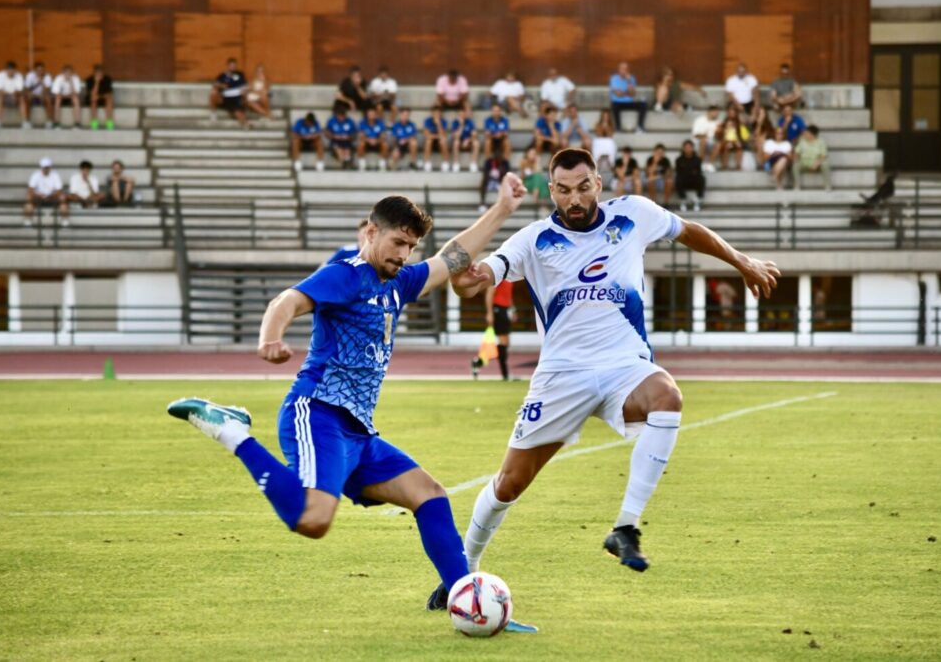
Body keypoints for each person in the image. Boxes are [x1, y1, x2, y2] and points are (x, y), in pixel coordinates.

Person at [167, 174, 537, 631]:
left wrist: (503, 210)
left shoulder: (398, 282)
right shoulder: (347, 274)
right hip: (317, 412)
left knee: (430, 496)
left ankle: (468, 598)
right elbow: (287, 300)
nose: (404, 254)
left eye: (411, 247)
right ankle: (232, 432)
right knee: (313, 519)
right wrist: (270, 337)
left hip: (358, 433)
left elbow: (451, 258)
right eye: (398, 242)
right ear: (371, 232)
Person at [442, 147, 779, 593]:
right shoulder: (532, 240)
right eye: (564, 190)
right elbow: (467, 284)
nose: (575, 199)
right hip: (562, 376)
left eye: (584, 187)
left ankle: (625, 528)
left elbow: (689, 231)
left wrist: (742, 261)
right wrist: (487, 230)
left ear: (598, 183)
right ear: (551, 190)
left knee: (667, 398)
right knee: (509, 484)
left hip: (625, 366)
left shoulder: (633, 214)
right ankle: (461, 571)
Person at [471, 280, 514, 380]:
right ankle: (505, 374)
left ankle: (478, 362)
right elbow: (489, 294)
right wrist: (489, 313)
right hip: (498, 309)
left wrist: (512, 309)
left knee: (505, 343)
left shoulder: (511, 277)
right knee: (503, 342)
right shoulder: (498, 276)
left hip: (505, 310)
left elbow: (508, 295)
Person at [23, 157, 68, 227]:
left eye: (47, 167)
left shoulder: (55, 175)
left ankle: (64, 220)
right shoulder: (35, 175)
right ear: (41, 167)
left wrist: (50, 196)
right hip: (38, 198)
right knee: (28, 197)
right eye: (44, 167)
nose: (46, 169)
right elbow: (30, 189)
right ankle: (28, 219)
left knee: (62, 197)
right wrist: (39, 195)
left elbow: (59, 190)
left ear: (50, 167)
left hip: (52, 197)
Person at [609, 61, 648, 133]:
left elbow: (632, 94)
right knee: (614, 106)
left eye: (626, 69)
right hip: (617, 102)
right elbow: (618, 94)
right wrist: (627, 93)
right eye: (622, 69)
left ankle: (640, 127)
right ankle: (618, 128)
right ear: (618, 70)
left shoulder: (631, 78)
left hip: (629, 102)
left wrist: (629, 81)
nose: (624, 71)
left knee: (643, 105)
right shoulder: (614, 78)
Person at [792, 125, 832, 191]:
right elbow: (796, 152)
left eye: (807, 133)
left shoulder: (821, 142)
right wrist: (795, 158)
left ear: (812, 134)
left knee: (825, 164)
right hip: (804, 162)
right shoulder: (802, 141)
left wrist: (817, 163)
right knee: (795, 165)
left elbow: (824, 155)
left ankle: (828, 186)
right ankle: (797, 186)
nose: (805, 134)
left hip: (816, 162)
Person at [210, 58, 248, 127]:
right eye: (231, 66)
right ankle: (213, 113)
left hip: (237, 96)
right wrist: (221, 85)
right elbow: (214, 83)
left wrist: (243, 90)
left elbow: (244, 85)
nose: (233, 67)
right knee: (214, 92)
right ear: (228, 66)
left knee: (237, 109)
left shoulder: (240, 74)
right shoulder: (223, 75)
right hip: (226, 97)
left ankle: (245, 119)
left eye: (234, 66)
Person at [0, 61, 29, 129]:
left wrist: (14, 95)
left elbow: (19, 90)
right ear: (5, 70)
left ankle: (24, 121)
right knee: (0, 98)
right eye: (9, 70)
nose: (11, 72)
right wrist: (10, 95)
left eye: (12, 70)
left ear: (15, 70)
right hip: (3, 96)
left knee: (22, 98)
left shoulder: (19, 76)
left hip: (15, 96)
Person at [716, 106, 750, 171]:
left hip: (736, 142)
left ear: (736, 114)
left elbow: (745, 136)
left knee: (739, 146)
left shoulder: (740, 124)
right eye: (730, 113)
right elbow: (719, 135)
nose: (731, 115)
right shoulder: (723, 124)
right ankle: (724, 166)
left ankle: (738, 165)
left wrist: (738, 141)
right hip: (725, 141)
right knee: (727, 146)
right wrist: (723, 129)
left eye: (733, 113)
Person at [674, 139, 705, 210]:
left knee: (702, 178)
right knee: (678, 179)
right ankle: (683, 199)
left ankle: (698, 200)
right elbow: (678, 172)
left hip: (694, 180)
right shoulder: (679, 160)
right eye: (686, 147)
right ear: (683, 148)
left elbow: (699, 172)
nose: (688, 149)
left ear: (692, 148)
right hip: (683, 180)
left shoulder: (697, 159)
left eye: (689, 147)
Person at [325, 104, 358, 169]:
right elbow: (326, 132)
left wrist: (349, 137)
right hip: (335, 142)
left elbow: (354, 134)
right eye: (340, 116)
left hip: (347, 142)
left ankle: (347, 163)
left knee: (347, 151)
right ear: (337, 115)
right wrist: (334, 136)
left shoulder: (350, 121)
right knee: (339, 151)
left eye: (343, 116)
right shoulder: (332, 121)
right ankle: (344, 162)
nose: (342, 118)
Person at [24, 61, 54, 129]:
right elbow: (27, 89)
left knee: (48, 99)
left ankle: (49, 121)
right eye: (38, 70)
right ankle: (27, 121)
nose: (40, 72)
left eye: (41, 70)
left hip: (43, 95)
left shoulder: (47, 76)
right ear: (35, 70)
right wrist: (31, 94)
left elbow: (47, 90)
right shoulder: (30, 76)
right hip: (33, 95)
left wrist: (42, 82)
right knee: (27, 98)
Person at [84, 64, 114, 130]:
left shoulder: (107, 79)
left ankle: (109, 122)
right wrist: (96, 82)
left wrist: (99, 96)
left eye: (101, 72)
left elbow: (109, 94)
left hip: (103, 98)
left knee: (109, 100)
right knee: (93, 100)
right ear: (94, 73)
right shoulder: (89, 80)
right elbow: (92, 94)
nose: (99, 74)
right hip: (92, 98)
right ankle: (94, 122)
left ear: (103, 72)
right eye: (97, 72)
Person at [357, 107, 389, 171]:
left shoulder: (380, 123)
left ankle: (382, 164)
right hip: (367, 142)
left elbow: (383, 136)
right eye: (370, 114)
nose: (371, 116)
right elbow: (361, 136)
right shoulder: (362, 123)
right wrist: (369, 140)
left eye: (373, 114)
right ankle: (362, 164)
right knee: (361, 144)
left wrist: (376, 141)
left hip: (378, 142)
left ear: (376, 115)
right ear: (367, 115)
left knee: (385, 144)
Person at [691, 106, 721, 172]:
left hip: (711, 141)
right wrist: (705, 136)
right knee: (703, 141)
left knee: (718, 144)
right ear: (709, 112)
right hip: (698, 141)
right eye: (715, 112)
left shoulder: (718, 122)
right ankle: (701, 163)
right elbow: (696, 134)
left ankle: (710, 164)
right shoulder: (699, 120)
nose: (716, 114)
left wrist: (718, 133)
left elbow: (718, 136)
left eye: (717, 113)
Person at [450, 107, 479, 172]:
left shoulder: (470, 122)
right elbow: (456, 136)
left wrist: (468, 140)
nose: (462, 116)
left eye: (463, 115)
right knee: (456, 142)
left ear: (465, 114)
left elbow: (474, 135)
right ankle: (456, 163)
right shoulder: (455, 122)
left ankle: (473, 163)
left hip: (468, 142)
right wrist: (461, 125)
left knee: (476, 143)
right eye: (460, 115)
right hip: (459, 142)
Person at [421, 106, 450, 172]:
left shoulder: (443, 121)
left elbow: (444, 135)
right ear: (432, 113)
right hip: (430, 142)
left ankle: (445, 163)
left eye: (438, 113)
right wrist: (438, 136)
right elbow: (427, 135)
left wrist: (439, 124)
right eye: (435, 113)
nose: (437, 115)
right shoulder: (427, 121)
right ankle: (427, 163)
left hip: (439, 143)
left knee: (443, 141)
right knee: (428, 141)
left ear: (440, 114)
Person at [591, 108, 617, 173]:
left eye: (607, 116)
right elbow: (599, 134)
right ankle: (597, 162)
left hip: (608, 142)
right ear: (602, 117)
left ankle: (611, 163)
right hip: (599, 141)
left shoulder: (612, 125)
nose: (605, 118)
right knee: (595, 141)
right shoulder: (597, 124)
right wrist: (603, 126)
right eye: (604, 116)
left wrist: (607, 126)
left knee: (611, 142)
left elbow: (610, 135)